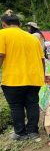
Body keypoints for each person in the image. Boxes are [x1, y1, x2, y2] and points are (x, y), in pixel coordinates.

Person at [0, 13, 45, 141]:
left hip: (13, 79)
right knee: (32, 104)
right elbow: (42, 60)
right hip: (34, 78)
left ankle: (20, 133)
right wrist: (43, 76)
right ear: (19, 25)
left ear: (4, 24)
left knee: (16, 106)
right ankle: (33, 132)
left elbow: (0, 55)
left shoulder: (2, 34)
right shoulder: (33, 38)